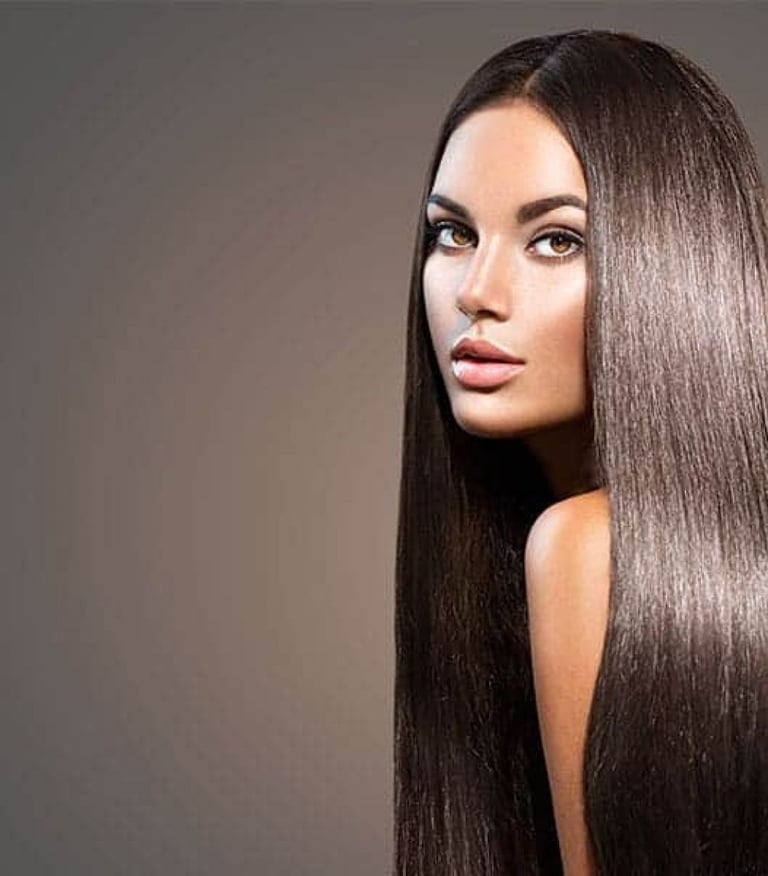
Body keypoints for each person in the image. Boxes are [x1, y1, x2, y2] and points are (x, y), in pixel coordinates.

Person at [394, 28, 768, 875]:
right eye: (452, 234)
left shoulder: (585, 549)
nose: (477, 292)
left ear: (676, 266)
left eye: (556, 240)